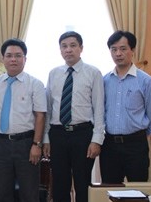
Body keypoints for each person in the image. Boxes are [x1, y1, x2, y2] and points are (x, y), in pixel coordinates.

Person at [43, 31, 105, 202]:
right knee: (59, 185)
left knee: (82, 183)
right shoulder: (54, 73)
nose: (68, 50)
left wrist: (96, 140)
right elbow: (48, 108)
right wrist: (46, 139)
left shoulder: (93, 73)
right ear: (60, 50)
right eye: (64, 46)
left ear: (81, 48)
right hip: (58, 134)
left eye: (72, 45)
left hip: (83, 134)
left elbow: (99, 108)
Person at [0, 38, 46, 202]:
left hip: (26, 144)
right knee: (3, 193)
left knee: (29, 193)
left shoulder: (35, 84)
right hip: (0, 144)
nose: (13, 59)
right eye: (9, 55)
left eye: (18, 55)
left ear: (25, 59)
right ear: (3, 59)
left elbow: (40, 116)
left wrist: (37, 145)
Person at [100, 30, 151, 183]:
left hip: (135, 145)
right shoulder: (104, 81)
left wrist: (138, 134)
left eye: (123, 49)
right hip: (109, 145)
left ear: (132, 51)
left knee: (138, 190)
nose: (118, 53)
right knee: (110, 190)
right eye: (114, 49)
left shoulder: (146, 81)